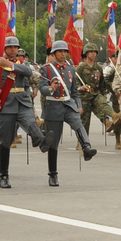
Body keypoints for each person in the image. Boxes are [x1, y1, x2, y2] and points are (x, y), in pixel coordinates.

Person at [0, 36, 50, 189]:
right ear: (4, 49)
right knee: (5, 141)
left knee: (31, 122)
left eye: (15, 48)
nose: (13, 50)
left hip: (23, 102)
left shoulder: (21, 64)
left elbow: (27, 72)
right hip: (5, 104)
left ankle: (42, 141)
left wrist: (8, 64)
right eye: (10, 47)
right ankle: (3, 174)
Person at [38, 40, 98, 186]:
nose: (63, 54)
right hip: (53, 106)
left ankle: (86, 147)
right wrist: (51, 88)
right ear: (54, 53)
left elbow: (74, 92)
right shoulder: (46, 69)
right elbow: (42, 89)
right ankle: (53, 174)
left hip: (68, 104)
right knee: (54, 142)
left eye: (65, 51)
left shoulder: (71, 69)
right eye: (60, 51)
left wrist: (78, 105)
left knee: (78, 123)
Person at [75, 43, 117, 139]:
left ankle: (114, 116)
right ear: (86, 53)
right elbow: (76, 81)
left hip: (95, 93)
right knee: (85, 122)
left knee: (103, 105)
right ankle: (82, 142)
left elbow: (102, 82)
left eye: (95, 52)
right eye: (91, 52)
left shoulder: (98, 67)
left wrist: (104, 93)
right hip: (84, 96)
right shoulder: (81, 67)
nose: (93, 54)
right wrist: (80, 88)